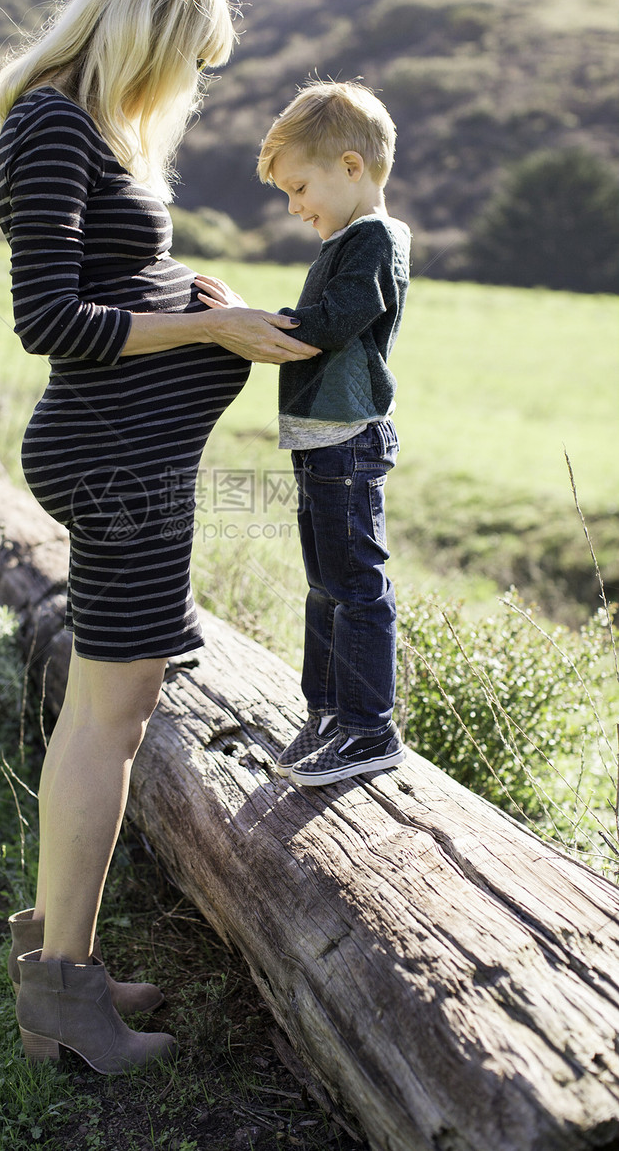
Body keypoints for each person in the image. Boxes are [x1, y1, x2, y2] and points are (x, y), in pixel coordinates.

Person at [0, 0, 318, 1075]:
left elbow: (112, 288)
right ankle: (63, 1000)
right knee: (108, 719)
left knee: (104, 711)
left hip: (137, 454)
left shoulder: (84, 133)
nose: (188, 83)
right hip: (112, 456)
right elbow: (53, 321)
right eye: (189, 58)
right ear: (143, 34)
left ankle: (54, 955)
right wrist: (208, 329)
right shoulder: (51, 126)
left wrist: (195, 295)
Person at [256, 80, 410, 787]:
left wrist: (250, 324)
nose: (294, 208)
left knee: (356, 587)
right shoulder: (350, 237)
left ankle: (369, 729)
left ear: (352, 167)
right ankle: (326, 713)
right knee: (325, 585)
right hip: (322, 441)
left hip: (347, 441)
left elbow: (328, 326)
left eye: (299, 187)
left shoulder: (373, 241)